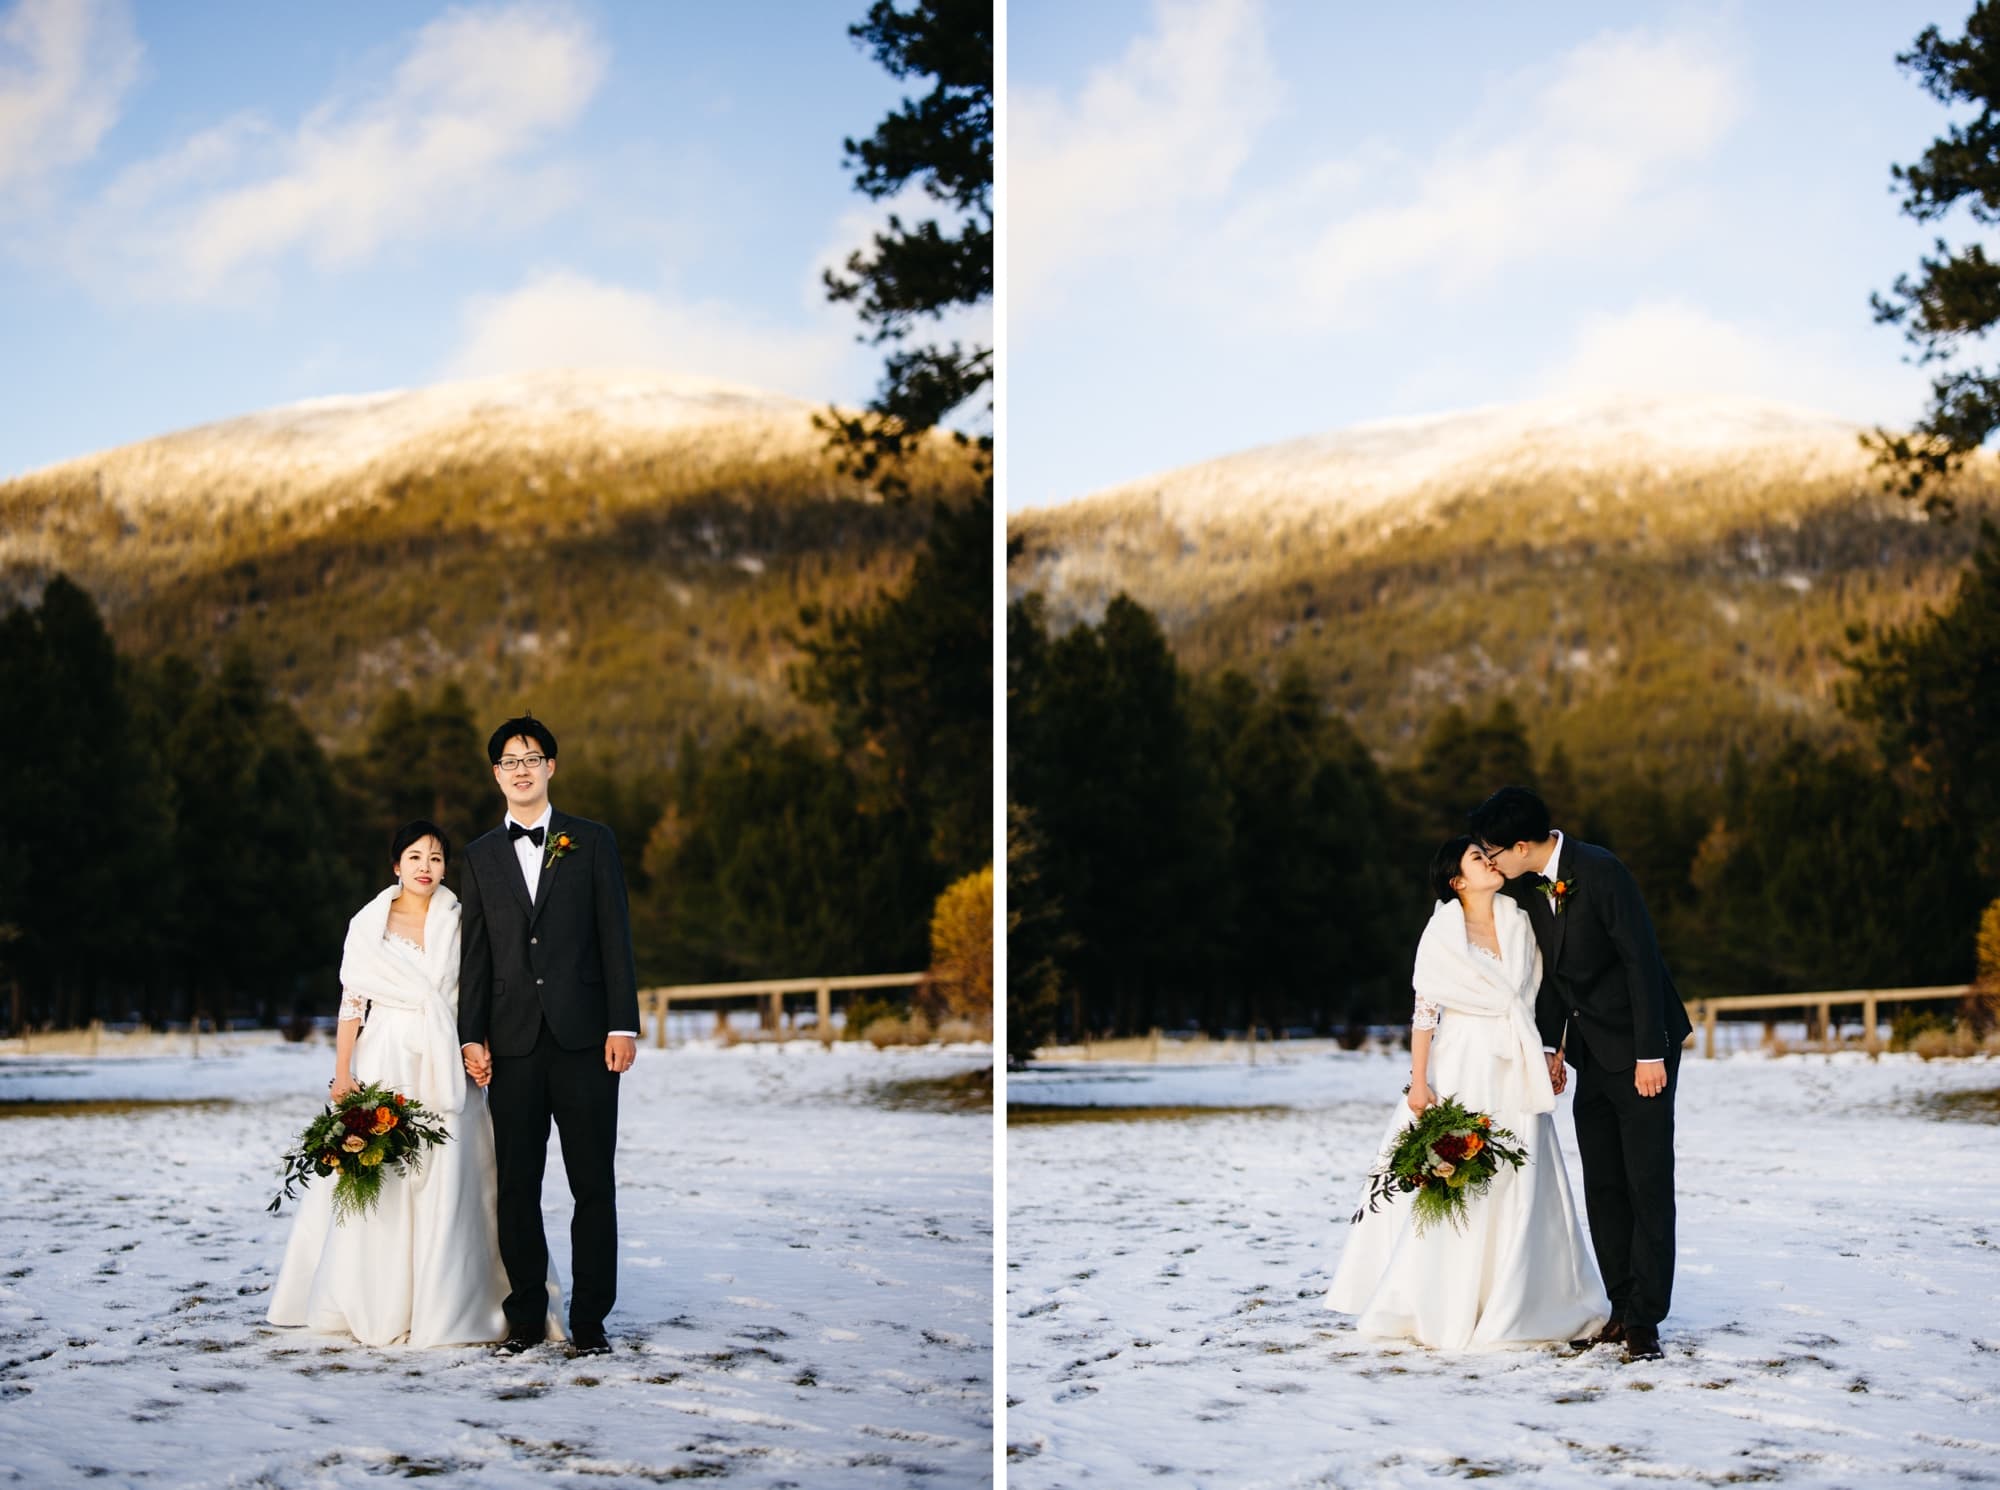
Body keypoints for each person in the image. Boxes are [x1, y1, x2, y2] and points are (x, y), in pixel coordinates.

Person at [267, 821, 561, 1348]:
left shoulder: (461, 917)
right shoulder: (368, 923)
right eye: (415, 856)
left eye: (436, 858)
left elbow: (478, 989)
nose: (426, 867)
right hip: (386, 1055)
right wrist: (342, 1070)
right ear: (395, 865)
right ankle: (380, 1300)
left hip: (446, 1054)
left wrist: (478, 1043)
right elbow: (352, 1002)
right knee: (386, 1176)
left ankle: (452, 1300)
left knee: (458, 1172)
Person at [1327, 836, 1611, 1349]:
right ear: (1457, 881)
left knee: (1522, 1171)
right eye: (1478, 858)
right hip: (1464, 1064)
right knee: (1465, 1177)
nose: (1490, 861)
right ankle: (1450, 1300)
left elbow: (1541, 994)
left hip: (1516, 1060)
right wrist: (1418, 1081)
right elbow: (1425, 1012)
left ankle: (1524, 1299)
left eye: (1488, 855)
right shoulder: (1440, 933)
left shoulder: (1518, 920)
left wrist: (1552, 1050)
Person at [1471, 785, 1693, 1364]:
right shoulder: (1530, 890)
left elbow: (1642, 962)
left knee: (1647, 1181)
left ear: (1522, 845)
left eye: (1494, 853)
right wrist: (1551, 1045)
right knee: (1603, 1181)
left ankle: (1646, 1319)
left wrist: (1651, 1054)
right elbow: (1553, 978)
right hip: (1590, 1053)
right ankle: (1619, 1306)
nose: (1490, 863)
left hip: (1643, 1049)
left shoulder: (1602, 871)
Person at [458, 716, 640, 1357]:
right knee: (516, 1189)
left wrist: (623, 1022)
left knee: (593, 1183)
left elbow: (614, 935)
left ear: (552, 767)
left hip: (588, 1041)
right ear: (496, 774)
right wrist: (470, 1036)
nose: (521, 769)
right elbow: (475, 955)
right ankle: (526, 1318)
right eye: (509, 761)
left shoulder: (591, 841)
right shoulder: (478, 855)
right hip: (510, 1045)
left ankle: (590, 1321)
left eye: (532, 757)